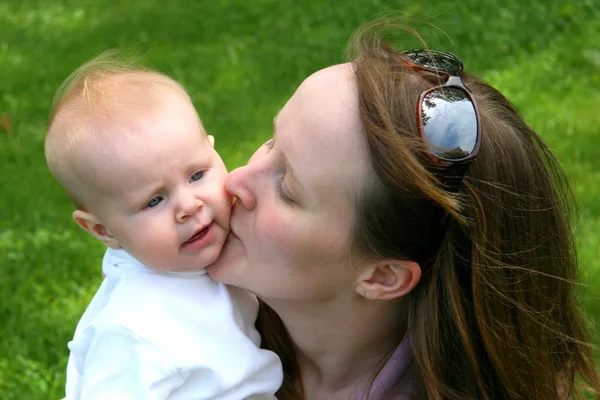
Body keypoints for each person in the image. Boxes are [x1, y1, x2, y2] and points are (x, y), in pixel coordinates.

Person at [206, 21, 600, 400]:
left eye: (287, 190)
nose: (235, 178)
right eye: (272, 140)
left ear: (383, 276)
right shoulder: (180, 296)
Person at [44, 54, 282, 399]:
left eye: (197, 175)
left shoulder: (211, 250)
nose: (189, 205)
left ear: (213, 151)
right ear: (103, 231)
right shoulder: (133, 334)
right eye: (154, 201)